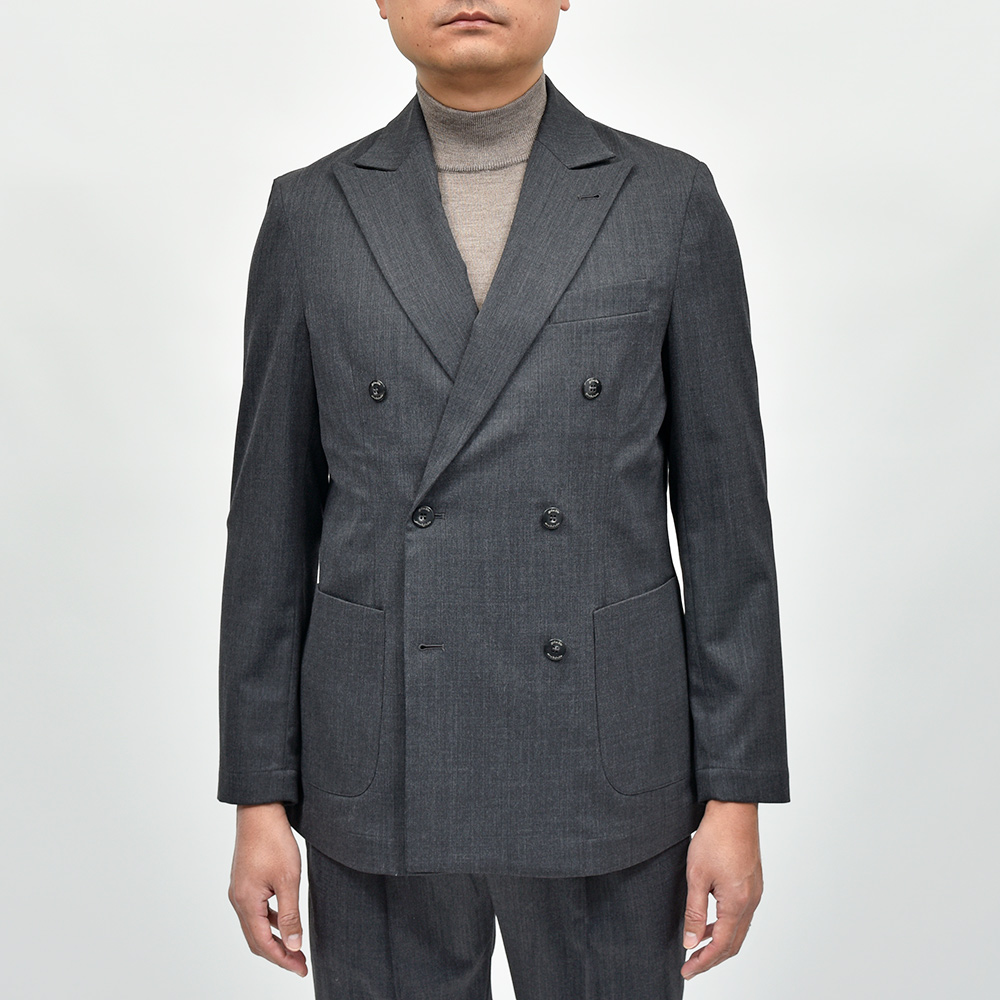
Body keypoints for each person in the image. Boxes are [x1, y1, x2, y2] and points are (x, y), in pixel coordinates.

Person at [218, 1, 791, 995]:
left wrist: (735, 795)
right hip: (381, 761)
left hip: (608, 760)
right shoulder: (311, 211)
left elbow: (727, 526)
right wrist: (259, 796)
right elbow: (267, 530)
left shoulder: (666, 199)